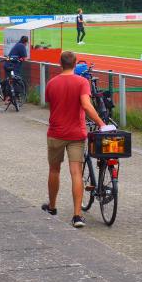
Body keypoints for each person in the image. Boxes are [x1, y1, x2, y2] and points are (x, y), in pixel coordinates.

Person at [42, 51, 112, 228]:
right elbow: (86, 105)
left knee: (54, 170)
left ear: (60, 64)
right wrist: (101, 123)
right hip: (76, 133)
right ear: (75, 65)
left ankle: (52, 206)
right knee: (76, 173)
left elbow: (51, 104)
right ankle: (77, 215)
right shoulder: (82, 82)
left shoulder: (51, 83)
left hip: (56, 132)